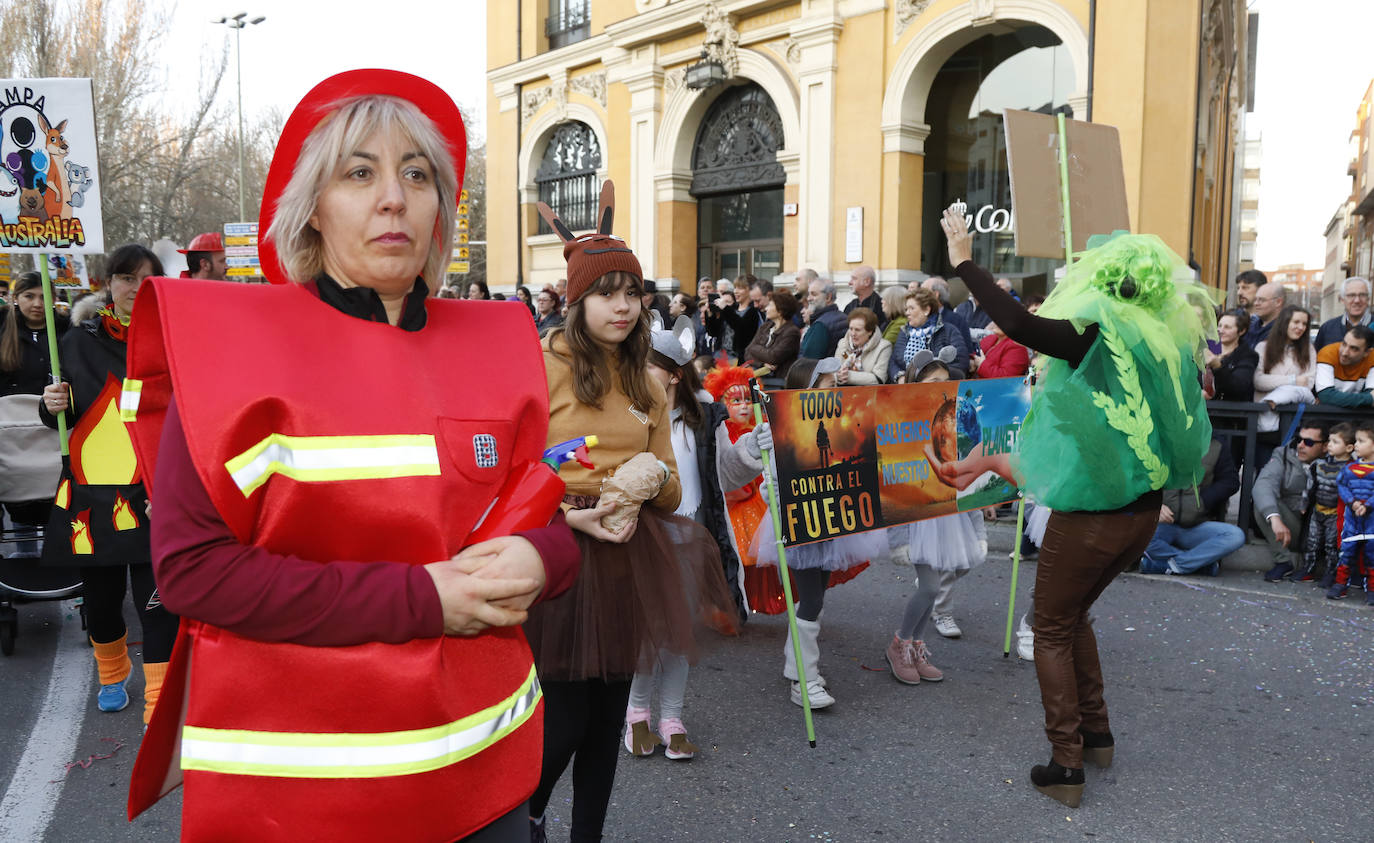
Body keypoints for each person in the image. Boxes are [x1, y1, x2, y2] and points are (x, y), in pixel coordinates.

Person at [123, 71, 582, 841]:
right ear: (310, 212)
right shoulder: (228, 355)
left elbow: (542, 520)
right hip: (297, 794)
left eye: (417, 173)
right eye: (359, 172)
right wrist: (423, 598)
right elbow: (194, 570)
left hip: (480, 778)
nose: (394, 196)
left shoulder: (499, 346)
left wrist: (545, 562)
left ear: (440, 210)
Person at [942, 204, 1215, 808]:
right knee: (1075, 616)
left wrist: (965, 258)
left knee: (1050, 627)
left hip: (1092, 519)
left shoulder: (1095, 335)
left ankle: (1066, 766)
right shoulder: (1160, 346)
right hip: (1141, 515)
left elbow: (1017, 323)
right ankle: (1097, 737)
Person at [524, 183, 736, 841]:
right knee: (561, 719)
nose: (622, 306)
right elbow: (512, 469)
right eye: (606, 292)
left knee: (610, 710)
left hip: (627, 551)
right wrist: (563, 509)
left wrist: (646, 480)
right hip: (560, 555)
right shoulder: (540, 363)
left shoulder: (648, 378)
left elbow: (673, 489)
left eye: (631, 292)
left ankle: (588, 832)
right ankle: (525, 817)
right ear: (578, 298)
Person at [39, 245, 176, 726]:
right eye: (126, 278)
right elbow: (62, 413)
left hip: (154, 494)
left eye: (145, 279)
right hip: (91, 499)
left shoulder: (174, 339)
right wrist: (51, 403)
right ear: (109, 284)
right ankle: (112, 675)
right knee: (100, 602)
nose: (135, 289)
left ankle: (159, 695)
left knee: (158, 603)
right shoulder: (75, 342)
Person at [729, 357, 882, 709]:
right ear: (807, 391)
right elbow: (769, 484)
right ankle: (804, 678)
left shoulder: (838, 423)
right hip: (798, 522)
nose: (836, 392)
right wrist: (777, 488)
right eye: (829, 386)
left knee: (816, 597)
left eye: (835, 386)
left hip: (830, 519)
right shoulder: (783, 429)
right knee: (811, 599)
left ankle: (794, 664)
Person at [625, 315, 744, 761]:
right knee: (648, 634)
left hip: (691, 537)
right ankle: (636, 714)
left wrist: (755, 448)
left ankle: (671, 718)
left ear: (674, 373)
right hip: (645, 537)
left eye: (649, 364)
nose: (640, 371)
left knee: (678, 632)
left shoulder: (703, 416)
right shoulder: (630, 415)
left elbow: (727, 472)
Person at [884, 353, 984, 684]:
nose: (940, 389)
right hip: (918, 516)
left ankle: (914, 644)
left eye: (945, 382)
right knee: (928, 587)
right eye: (932, 383)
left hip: (945, 512)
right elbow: (894, 479)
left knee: (935, 583)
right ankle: (900, 644)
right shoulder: (900, 423)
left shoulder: (952, 422)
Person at [0, 271, 68, 555]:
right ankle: (24, 557)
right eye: (29, 296)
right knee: (18, 491)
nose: (37, 304)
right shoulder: (3, 330)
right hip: (10, 432)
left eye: (44, 297)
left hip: (56, 428)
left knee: (56, 496)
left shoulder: (68, 331)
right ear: (16, 299)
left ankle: (59, 559)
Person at [1138, 436, 1244, 576]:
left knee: (1235, 536)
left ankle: (1165, 565)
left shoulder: (1215, 444)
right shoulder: (1157, 438)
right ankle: (1199, 565)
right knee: (1140, 538)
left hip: (1196, 524)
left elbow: (1230, 481)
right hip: (1161, 523)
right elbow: (1138, 478)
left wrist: (1202, 501)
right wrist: (1155, 506)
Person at [1253, 423, 1326, 582]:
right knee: (1264, 504)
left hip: (1324, 528)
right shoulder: (1283, 454)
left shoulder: (1337, 462)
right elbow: (1263, 484)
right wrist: (1275, 518)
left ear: (1325, 446)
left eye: (1309, 442)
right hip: (1294, 527)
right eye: (1299, 439)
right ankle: (1283, 562)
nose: (1301, 445)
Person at [1253, 306, 1316, 458]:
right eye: (1296, 322)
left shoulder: (1309, 350)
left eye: (1304, 324)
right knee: (1264, 469)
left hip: (1295, 422)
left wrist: (1276, 383)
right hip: (1266, 423)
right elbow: (1258, 381)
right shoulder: (1263, 347)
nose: (1300, 327)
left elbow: (1308, 384)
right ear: (1284, 322)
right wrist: (1293, 380)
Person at [1302, 422, 1355, 585]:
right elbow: (1310, 486)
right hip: (1318, 510)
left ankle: (1331, 573)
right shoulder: (1318, 464)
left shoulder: (1351, 468)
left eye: (1335, 442)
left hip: (1336, 514)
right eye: (1329, 441)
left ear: (1349, 448)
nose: (1330, 445)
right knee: (1312, 542)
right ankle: (1308, 569)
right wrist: (1304, 503)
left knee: (1332, 546)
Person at [1328, 422, 1374, 604]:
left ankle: (1371, 589)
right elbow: (1342, 486)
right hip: (1352, 521)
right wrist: (1352, 502)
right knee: (1346, 552)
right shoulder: (1349, 469)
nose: (1356, 445)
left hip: (1371, 521)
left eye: (1361, 441)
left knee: (1372, 555)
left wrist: (1368, 505)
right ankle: (1340, 584)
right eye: (1356, 441)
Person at [889, 288, 967, 383]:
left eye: (911, 308)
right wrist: (900, 377)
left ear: (926, 310)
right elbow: (893, 361)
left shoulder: (949, 330)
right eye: (906, 309)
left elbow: (960, 363)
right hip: (907, 388)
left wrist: (934, 377)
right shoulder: (904, 332)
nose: (907, 313)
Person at [743, 290, 801, 379]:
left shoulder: (792, 332)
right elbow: (747, 352)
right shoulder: (765, 327)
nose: (766, 309)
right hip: (760, 379)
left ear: (780, 310)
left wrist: (753, 348)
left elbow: (773, 356)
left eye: (770, 305)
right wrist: (762, 364)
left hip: (777, 382)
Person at [1314, 326, 1374, 407]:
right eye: (1344, 344)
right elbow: (1326, 396)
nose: (1344, 353)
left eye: (1353, 348)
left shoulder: (1372, 357)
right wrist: (1368, 399)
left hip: (1358, 417)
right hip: (1327, 414)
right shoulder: (1328, 353)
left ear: (1367, 352)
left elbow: (1370, 392)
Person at [1206, 310, 1258, 401]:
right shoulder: (1208, 348)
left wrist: (1218, 367)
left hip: (1228, 411)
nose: (1221, 330)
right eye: (1219, 326)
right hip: (1199, 408)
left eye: (1227, 327)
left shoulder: (1248, 355)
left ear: (1241, 331)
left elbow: (1238, 387)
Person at [832, 306, 892, 385]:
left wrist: (848, 376)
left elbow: (879, 378)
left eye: (857, 330)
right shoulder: (843, 343)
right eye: (851, 329)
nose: (853, 334)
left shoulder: (884, 347)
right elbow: (833, 371)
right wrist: (837, 376)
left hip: (871, 395)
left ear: (870, 331)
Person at [1313, 277, 1371, 350]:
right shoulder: (1327, 329)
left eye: (1362, 295)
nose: (1357, 300)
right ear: (1342, 299)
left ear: (1368, 299)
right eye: (1351, 295)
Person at [799, 277, 847, 359]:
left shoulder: (820, 325)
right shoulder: (844, 316)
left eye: (814, 294)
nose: (808, 298)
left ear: (828, 297)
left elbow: (809, 360)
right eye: (809, 294)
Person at [1243, 281, 1286, 348]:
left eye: (1261, 300)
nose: (1256, 304)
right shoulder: (1250, 327)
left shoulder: (1285, 331)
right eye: (1255, 299)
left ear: (1278, 302)